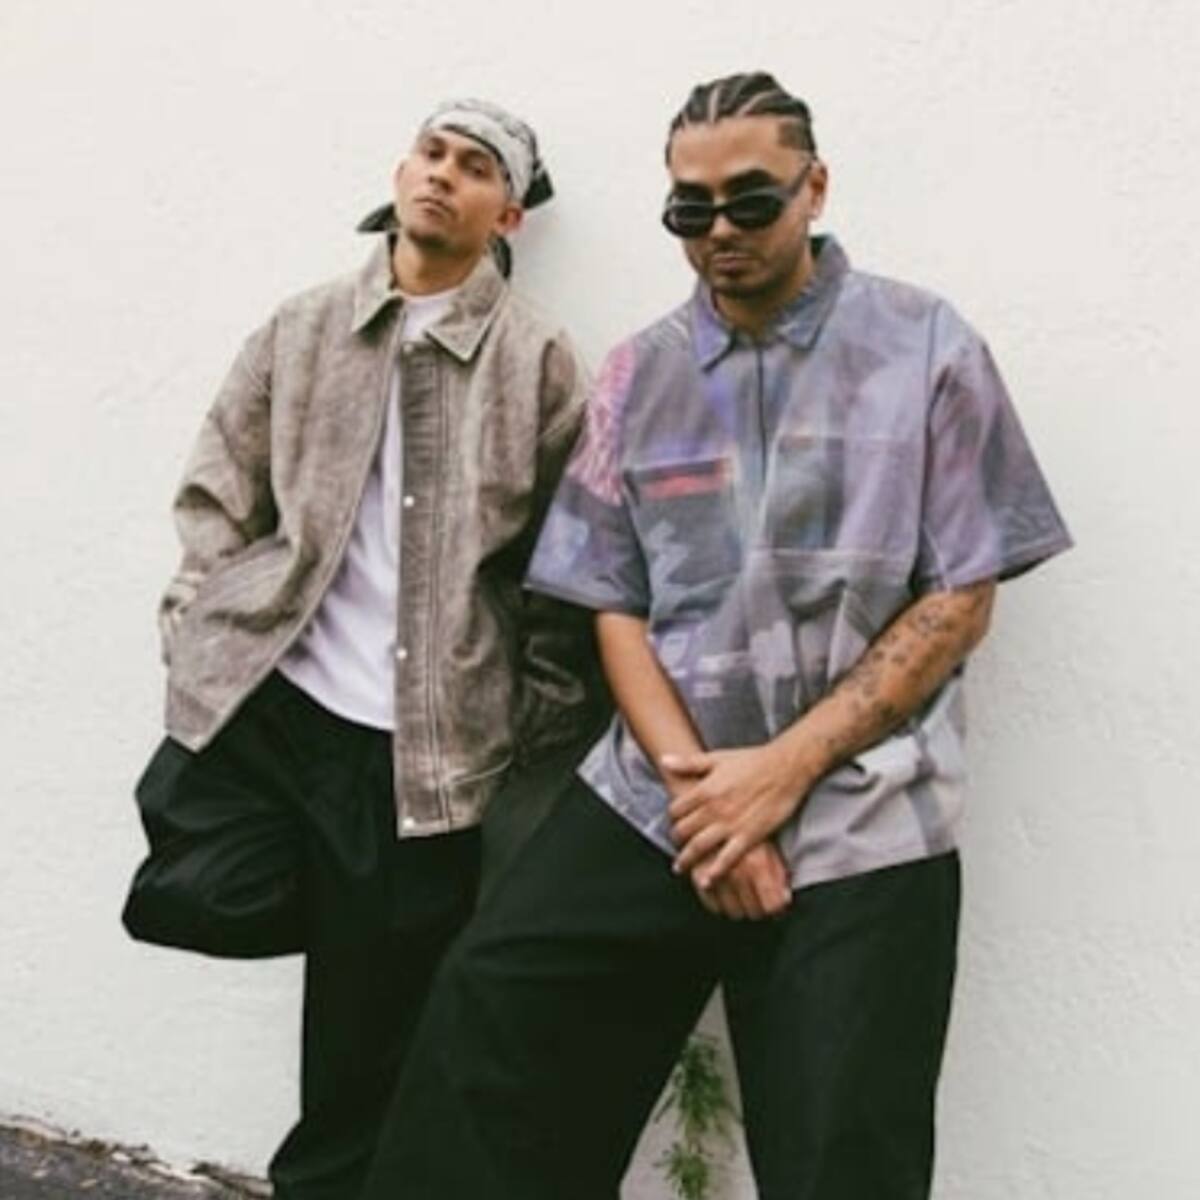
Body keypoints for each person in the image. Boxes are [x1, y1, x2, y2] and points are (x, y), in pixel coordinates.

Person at [358, 72, 1073, 1200]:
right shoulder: (638, 374)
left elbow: (958, 601)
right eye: (691, 209)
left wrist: (776, 779)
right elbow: (613, 602)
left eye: (751, 200)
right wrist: (709, 802)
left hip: (863, 812)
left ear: (813, 187)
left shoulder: (927, 347)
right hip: (663, 796)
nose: (721, 230)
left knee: (844, 1152)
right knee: (489, 1029)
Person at [120, 98, 599, 1200]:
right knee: (183, 888)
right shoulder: (303, 327)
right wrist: (196, 625)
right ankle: (361, 936)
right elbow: (219, 489)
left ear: (508, 215)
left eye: (474, 167)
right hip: (277, 707)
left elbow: (572, 559)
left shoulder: (536, 362)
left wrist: (530, 711)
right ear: (400, 170)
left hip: (416, 754)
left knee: (358, 1052)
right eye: (431, 153)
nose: (443, 175)